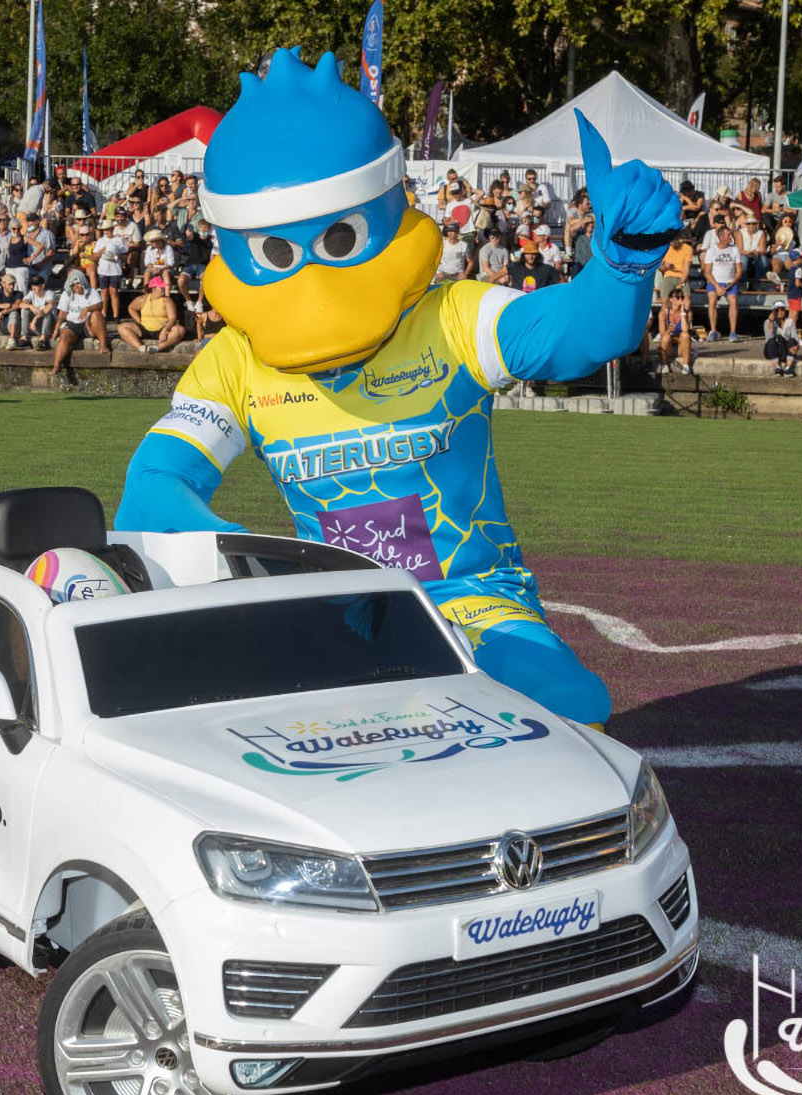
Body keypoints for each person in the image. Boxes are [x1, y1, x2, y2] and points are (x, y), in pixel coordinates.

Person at [117, 52, 680, 729]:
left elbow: (579, 332)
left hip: (471, 600)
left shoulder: (454, 319)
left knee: (568, 707)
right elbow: (155, 482)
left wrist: (622, 264)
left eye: (339, 238)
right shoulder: (235, 360)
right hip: (335, 607)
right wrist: (246, 564)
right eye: (277, 253)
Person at [49, 270, 107, 382]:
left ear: (83, 282)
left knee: (97, 315)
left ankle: (103, 345)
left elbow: (100, 305)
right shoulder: (66, 294)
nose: (76, 286)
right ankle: (56, 365)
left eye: (78, 283)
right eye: (73, 284)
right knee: (64, 337)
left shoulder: (92, 292)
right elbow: (62, 314)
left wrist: (87, 309)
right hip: (72, 325)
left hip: (88, 325)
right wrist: (56, 330)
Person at [118, 274, 185, 352]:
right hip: (144, 328)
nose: (163, 289)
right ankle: (141, 347)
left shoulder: (168, 301)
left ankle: (158, 348)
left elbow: (172, 318)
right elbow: (131, 308)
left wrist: (165, 330)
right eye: (161, 287)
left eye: (163, 287)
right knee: (121, 327)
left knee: (180, 330)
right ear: (154, 288)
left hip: (161, 328)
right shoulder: (143, 299)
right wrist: (138, 320)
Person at [703, 222, 742, 341]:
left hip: (730, 281)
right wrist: (717, 286)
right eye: (728, 235)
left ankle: (733, 332)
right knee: (712, 300)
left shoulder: (734, 250)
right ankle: (713, 330)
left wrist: (731, 283)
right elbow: (707, 272)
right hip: (715, 282)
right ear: (721, 237)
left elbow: (739, 271)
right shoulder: (711, 251)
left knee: (733, 301)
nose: (731, 237)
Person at [657, 285, 693, 373]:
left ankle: (686, 366)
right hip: (668, 346)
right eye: (677, 297)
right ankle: (664, 365)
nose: (680, 299)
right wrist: (669, 330)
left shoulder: (687, 313)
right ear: (671, 299)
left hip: (681, 347)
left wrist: (682, 312)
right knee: (666, 337)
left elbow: (685, 329)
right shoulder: (663, 313)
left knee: (685, 335)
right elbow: (662, 334)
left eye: (682, 297)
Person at [20, 276, 58, 349]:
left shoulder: (49, 293)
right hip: (37, 325)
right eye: (33, 285)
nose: (34, 287)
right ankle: (24, 338)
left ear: (43, 286)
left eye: (36, 285)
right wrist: (30, 306)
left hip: (50, 325)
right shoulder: (31, 293)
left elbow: (49, 306)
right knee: (25, 310)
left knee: (47, 313)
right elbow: (21, 304)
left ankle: (42, 340)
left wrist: (35, 319)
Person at [763, 309, 801, 375]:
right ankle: (778, 367)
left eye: (782, 310)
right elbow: (768, 338)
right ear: (773, 312)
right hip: (773, 350)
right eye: (777, 310)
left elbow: (795, 338)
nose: (780, 312)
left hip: (785, 350)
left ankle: (788, 368)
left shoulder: (790, 321)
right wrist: (771, 322)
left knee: (792, 340)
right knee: (771, 341)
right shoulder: (767, 322)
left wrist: (797, 347)